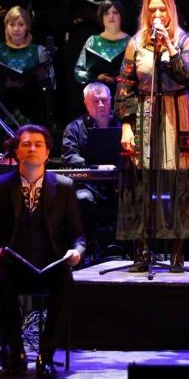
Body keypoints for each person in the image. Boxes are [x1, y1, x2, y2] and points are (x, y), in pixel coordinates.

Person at [0, 124, 84, 378]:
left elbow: (78, 235)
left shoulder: (64, 186)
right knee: (1, 281)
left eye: (38, 144)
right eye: (26, 144)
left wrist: (76, 252)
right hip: (13, 263)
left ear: (47, 153)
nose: (32, 149)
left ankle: (46, 355)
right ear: (16, 151)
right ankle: (15, 352)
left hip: (50, 264)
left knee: (65, 282)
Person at [115, 0, 189, 268]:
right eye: (151, 9)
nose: (157, 14)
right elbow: (125, 86)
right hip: (145, 111)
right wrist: (126, 126)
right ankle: (143, 250)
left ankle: (178, 250)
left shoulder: (184, 40)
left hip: (177, 113)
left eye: (161, 8)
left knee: (180, 181)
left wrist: (170, 47)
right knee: (142, 181)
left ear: (170, 10)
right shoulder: (135, 42)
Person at [61, 83, 120, 256]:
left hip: (120, 183)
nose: (101, 105)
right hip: (88, 184)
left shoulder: (122, 125)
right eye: (95, 101)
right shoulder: (74, 128)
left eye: (104, 100)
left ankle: (129, 249)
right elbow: (70, 158)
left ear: (111, 101)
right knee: (83, 199)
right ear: (86, 103)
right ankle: (88, 248)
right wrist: (96, 167)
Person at [0, 6, 55, 126]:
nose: (16, 29)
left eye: (21, 24)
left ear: (27, 26)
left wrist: (35, 79)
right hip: (5, 105)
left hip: (32, 105)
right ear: (6, 26)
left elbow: (50, 79)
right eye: (12, 24)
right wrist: (5, 83)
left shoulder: (39, 50)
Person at [64, 0, 113, 121]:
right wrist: (75, 20)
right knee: (75, 92)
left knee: (101, 90)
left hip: (102, 47)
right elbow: (59, 21)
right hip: (76, 46)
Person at [74, 0, 131, 89]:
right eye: (106, 13)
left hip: (123, 93)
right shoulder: (93, 41)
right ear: (101, 18)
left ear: (121, 16)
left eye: (115, 12)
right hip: (97, 92)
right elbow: (78, 72)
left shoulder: (131, 42)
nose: (111, 16)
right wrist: (96, 77)